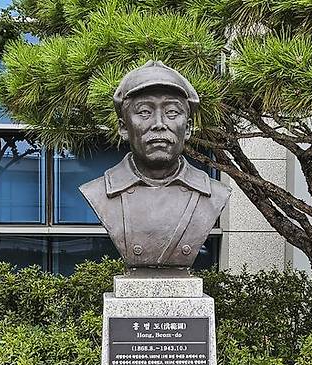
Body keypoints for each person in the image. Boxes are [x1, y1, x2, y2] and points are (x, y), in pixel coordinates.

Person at [79, 60, 231, 268]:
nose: (159, 124)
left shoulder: (214, 194)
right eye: (144, 112)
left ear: (187, 128)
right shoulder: (98, 192)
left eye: (172, 113)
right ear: (123, 127)